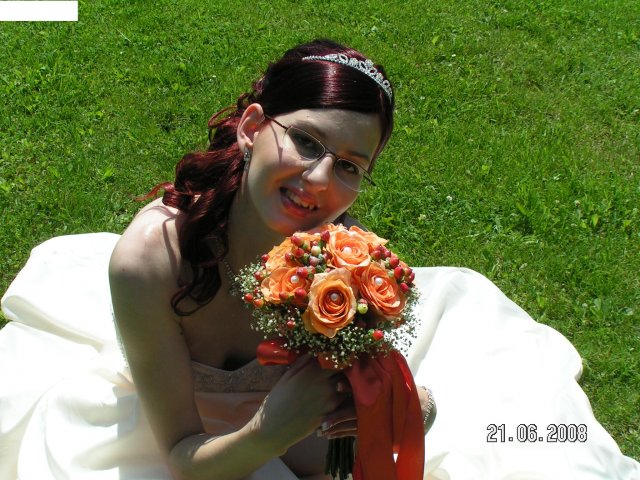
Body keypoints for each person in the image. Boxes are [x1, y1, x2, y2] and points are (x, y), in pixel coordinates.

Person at [0, 39, 638, 480]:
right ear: (253, 127)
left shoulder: (341, 261)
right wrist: (268, 431)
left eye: (351, 166)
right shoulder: (151, 261)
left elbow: (340, 426)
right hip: (182, 445)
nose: (319, 182)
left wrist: (379, 404)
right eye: (306, 140)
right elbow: (182, 459)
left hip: (301, 436)